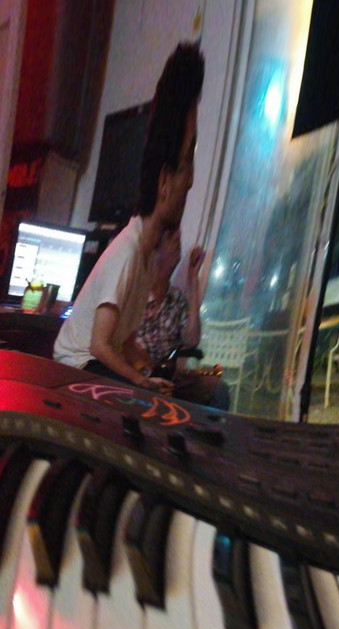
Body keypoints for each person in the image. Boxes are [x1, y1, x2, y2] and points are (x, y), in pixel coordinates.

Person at [54, 42, 205, 394]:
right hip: (74, 368)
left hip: (94, 364)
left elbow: (123, 342)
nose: (191, 180)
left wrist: (154, 370)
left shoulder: (146, 259)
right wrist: (141, 381)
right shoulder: (127, 253)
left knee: (177, 393)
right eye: (187, 162)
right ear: (164, 182)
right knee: (144, 400)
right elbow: (99, 345)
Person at [134, 229, 230, 409]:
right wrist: (146, 374)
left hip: (168, 377)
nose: (177, 244)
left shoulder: (176, 298)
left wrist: (193, 279)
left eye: (179, 241)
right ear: (156, 251)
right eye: (172, 239)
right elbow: (124, 344)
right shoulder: (137, 291)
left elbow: (191, 340)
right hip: (137, 373)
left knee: (218, 389)